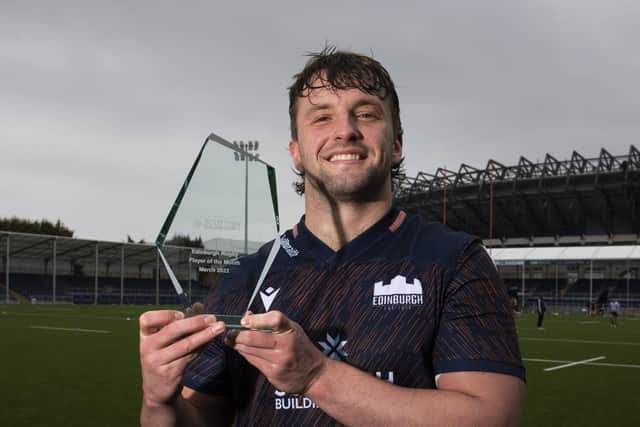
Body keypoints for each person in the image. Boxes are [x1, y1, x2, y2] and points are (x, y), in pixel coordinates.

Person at [139, 47, 526, 426]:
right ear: (296, 152)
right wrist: (160, 401)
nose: (345, 130)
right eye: (322, 118)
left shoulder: (454, 262)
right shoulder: (247, 275)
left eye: (366, 114)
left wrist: (317, 378)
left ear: (396, 144)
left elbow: (493, 416)